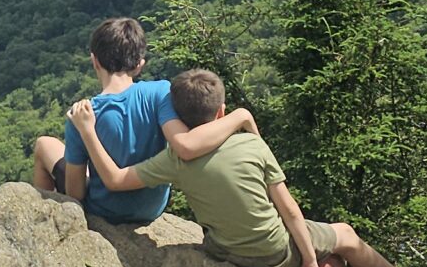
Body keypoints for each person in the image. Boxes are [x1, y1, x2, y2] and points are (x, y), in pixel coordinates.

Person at [67, 67, 427, 267]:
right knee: (346, 236)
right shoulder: (251, 144)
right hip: (273, 249)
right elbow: (290, 211)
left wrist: (87, 131)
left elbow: (114, 179)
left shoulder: (174, 160)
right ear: (222, 112)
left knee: (333, 260)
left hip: (224, 251)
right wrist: (307, 259)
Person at [29, 17, 258, 226]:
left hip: (104, 211)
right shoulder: (161, 92)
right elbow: (184, 143)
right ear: (140, 64)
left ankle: (43, 225)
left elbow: (75, 194)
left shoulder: (81, 114)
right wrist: (240, 116)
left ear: (94, 61)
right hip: (151, 210)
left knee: (44, 145)